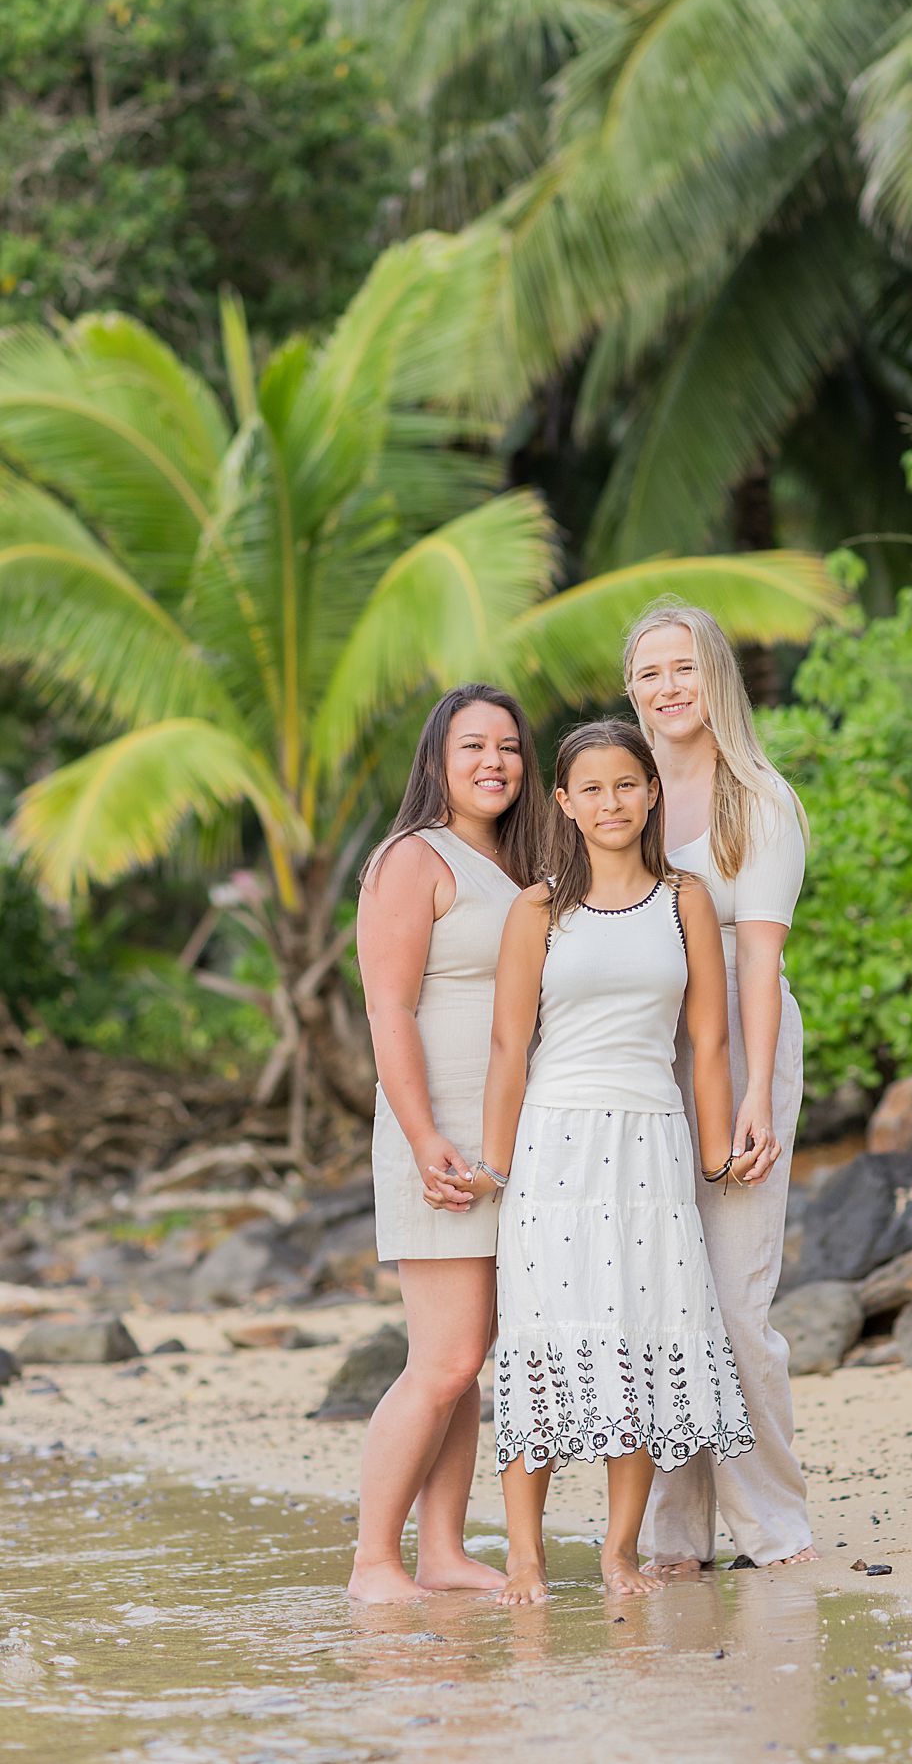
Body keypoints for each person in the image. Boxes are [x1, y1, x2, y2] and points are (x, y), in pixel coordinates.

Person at [470, 718, 754, 1606]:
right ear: (563, 802)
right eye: (590, 788)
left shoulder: (686, 900)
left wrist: (716, 1153)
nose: (611, 802)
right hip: (553, 1148)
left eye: (626, 784)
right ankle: (524, 1556)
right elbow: (510, 1046)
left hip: (651, 1144)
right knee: (542, 1346)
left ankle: (618, 1550)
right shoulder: (538, 908)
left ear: (651, 791)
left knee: (633, 1341)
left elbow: (708, 1038)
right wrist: (492, 1164)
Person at [624, 602, 818, 1573]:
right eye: (651, 671)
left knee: (738, 1302)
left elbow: (760, 962)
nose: (669, 687)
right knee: (664, 1299)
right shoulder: (621, 800)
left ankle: (772, 1521)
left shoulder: (760, 799)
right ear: (632, 691)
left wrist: (751, 1094)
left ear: (717, 682)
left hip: (743, 1045)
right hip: (643, 1061)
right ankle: (674, 1531)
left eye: (685, 668)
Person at [348, 683, 545, 1604]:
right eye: (472, 746)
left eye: (508, 746)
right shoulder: (410, 859)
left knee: (470, 1359)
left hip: (504, 1138)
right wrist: (424, 1134)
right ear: (437, 759)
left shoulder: (514, 862)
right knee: (445, 1357)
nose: (493, 762)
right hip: (436, 1134)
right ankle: (373, 1561)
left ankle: (442, 1550)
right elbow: (388, 1007)